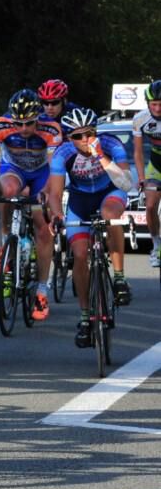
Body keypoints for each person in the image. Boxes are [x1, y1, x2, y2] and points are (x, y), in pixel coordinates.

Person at [47, 107, 135, 347]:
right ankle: (85, 317)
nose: (86, 139)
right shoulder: (62, 154)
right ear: (69, 138)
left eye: (90, 133)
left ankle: (119, 278)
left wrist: (101, 156)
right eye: (78, 136)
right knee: (79, 255)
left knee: (109, 215)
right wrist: (57, 215)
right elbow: (55, 193)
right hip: (80, 200)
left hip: (110, 192)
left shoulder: (111, 144)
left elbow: (126, 183)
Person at [0, 89, 62, 321]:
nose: (23, 128)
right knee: (9, 192)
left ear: (38, 118)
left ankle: (41, 290)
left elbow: (55, 169)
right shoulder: (0, 125)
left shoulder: (51, 128)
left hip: (42, 173)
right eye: (18, 123)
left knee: (43, 227)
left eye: (29, 123)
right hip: (14, 169)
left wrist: (45, 193)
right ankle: (5, 238)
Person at [132, 80, 161, 267]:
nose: (158, 109)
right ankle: (156, 244)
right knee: (150, 206)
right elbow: (138, 152)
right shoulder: (140, 119)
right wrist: (142, 178)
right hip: (156, 165)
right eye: (154, 104)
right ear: (148, 103)